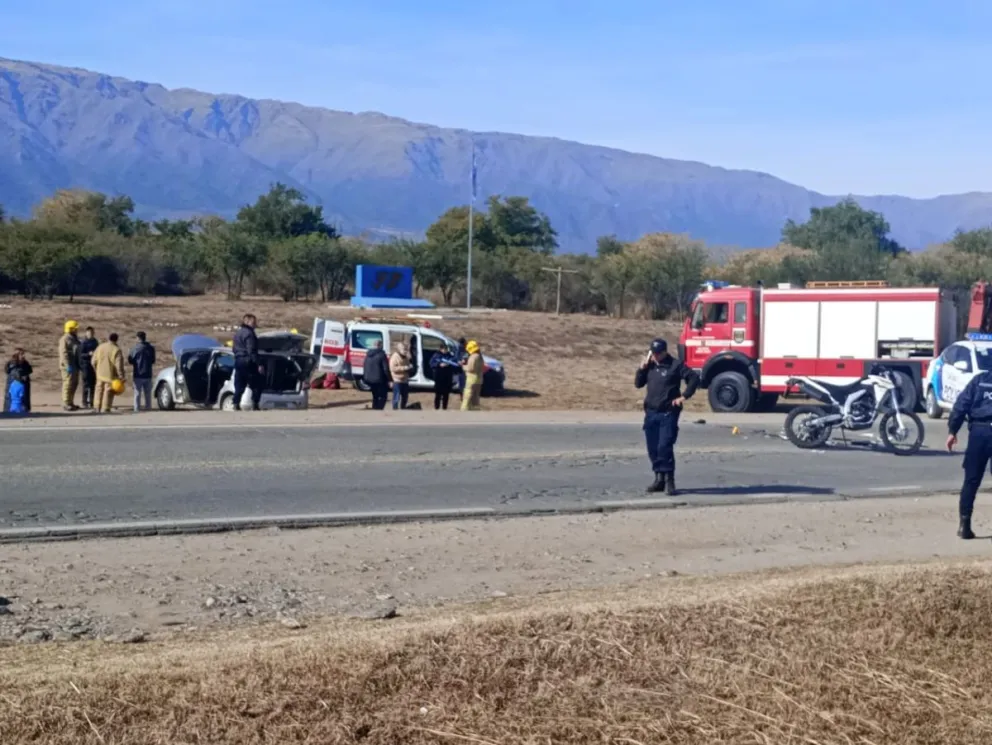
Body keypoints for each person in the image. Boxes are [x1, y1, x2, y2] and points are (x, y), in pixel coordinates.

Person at [634, 338, 700, 495]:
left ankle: (670, 480)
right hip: (651, 412)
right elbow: (638, 384)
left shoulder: (675, 365)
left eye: (658, 353)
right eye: (653, 353)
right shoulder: (650, 365)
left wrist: (684, 396)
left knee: (664, 446)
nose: (655, 356)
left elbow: (693, 378)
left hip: (668, 412)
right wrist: (641, 369)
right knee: (653, 448)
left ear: (664, 352)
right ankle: (659, 479)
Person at [945, 368, 992, 539]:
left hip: (979, 432)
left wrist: (953, 431)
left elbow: (961, 405)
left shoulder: (980, 380)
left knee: (971, 481)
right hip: (981, 430)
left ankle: (964, 526)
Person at [232, 314, 263, 411]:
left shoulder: (237, 333)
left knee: (239, 384)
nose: (255, 324)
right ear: (247, 322)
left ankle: (236, 403)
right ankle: (255, 403)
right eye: (253, 322)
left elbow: (234, 349)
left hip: (238, 360)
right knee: (257, 383)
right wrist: (258, 364)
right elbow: (251, 350)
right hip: (248, 361)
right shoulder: (249, 334)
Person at [92, 333, 126, 413]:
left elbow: (93, 361)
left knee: (98, 390)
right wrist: (121, 376)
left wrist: (96, 370)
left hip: (99, 374)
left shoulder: (100, 347)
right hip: (110, 375)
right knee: (108, 391)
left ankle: (96, 407)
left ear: (109, 338)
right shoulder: (116, 350)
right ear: (116, 340)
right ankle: (105, 408)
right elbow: (119, 365)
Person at [128, 331, 156, 412]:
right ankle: (148, 407)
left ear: (138, 338)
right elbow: (153, 360)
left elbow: (130, 361)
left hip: (138, 373)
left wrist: (129, 354)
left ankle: (137, 409)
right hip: (148, 373)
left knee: (137, 393)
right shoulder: (151, 348)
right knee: (148, 393)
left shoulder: (135, 348)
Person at [58, 320, 81, 411]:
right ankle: (66, 402)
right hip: (67, 366)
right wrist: (67, 365)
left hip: (75, 365)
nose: (76, 330)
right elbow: (64, 353)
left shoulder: (75, 339)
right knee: (68, 384)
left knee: (74, 384)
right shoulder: (64, 339)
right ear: (70, 329)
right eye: (75, 329)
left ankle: (71, 402)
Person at [362, 340, 391, 410]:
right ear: (380, 345)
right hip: (379, 379)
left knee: (375, 395)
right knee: (383, 396)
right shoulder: (382, 354)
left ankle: (375, 408)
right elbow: (385, 369)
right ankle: (379, 409)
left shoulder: (368, 355)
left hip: (369, 378)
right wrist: (389, 379)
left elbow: (365, 366)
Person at [430, 342, 458, 410]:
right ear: (440, 349)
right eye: (444, 349)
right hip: (439, 377)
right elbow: (431, 363)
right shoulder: (436, 355)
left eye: (446, 349)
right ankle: (437, 407)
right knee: (438, 394)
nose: (445, 350)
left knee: (446, 394)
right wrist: (439, 364)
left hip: (447, 378)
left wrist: (449, 364)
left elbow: (454, 363)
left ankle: (444, 408)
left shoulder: (450, 356)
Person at [4, 348, 32, 414]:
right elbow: (17, 377)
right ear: (16, 355)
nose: (24, 356)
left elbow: (29, 370)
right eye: (21, 354)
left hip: (23, 392)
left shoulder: (25, 364)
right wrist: (23, 378)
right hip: (14, 403)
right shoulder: (13, 366)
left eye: (23, 354)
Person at [460, 340, 484, 411]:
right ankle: (475, 411)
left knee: (467, 396)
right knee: (475, 397)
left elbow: (471, 368)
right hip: (479, 379)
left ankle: (464, 410)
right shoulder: (480, 357)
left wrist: (463, 366)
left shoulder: (473, 357)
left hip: (472, 379)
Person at [79, 327, 99, 409]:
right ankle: (84, 402)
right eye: (89, 333)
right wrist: (88, 354)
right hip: (85, 365)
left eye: (92, 333)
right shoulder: (83, 342)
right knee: (86, 384)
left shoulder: (95, 342)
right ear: (86, 333)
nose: (91, 334)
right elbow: (81, 355)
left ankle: (92, 401)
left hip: (93, 366)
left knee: (93, 384)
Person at [389, 342, 413, 410]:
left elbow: (408, 365)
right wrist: (404, 368)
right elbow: (392, 368)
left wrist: (410, 367)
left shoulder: (406, 357)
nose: (405, 351)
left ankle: (403, 408)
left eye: (406, 349)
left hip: (405, 379)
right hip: (397, 380)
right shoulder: (394, 357)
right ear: (399, 349)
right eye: (404, 349)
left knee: (405, 396)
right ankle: (395, 409)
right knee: (396, 396)